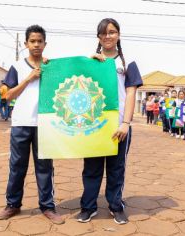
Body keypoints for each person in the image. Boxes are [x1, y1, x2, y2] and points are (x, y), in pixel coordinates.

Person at [0, 25, 64, 225]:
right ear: (26, 44)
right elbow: (7, 96)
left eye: (39, 41)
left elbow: (72, 75)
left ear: (45, 44)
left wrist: (94, 60)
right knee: (17, 166)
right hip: (21, 123)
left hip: (45, 124)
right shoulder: (17, 67)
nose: (36, 44)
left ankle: (48, 206)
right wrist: (28, 78)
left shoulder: (51, 65)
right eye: (32, 41)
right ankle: (13, 204)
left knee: (45, 167)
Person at [78, 18, 142, 225]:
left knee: (116, 168)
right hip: (95, 124)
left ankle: (115, 206)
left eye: (112, 32)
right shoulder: (91, 61)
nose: (108, 36)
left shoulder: (127, 62)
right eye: (104, 33)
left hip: (119, 125)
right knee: (92, 168)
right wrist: (88, 64)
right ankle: (88, 207)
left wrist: (126, 123)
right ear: (98, 37)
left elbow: (131, 93)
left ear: (119, 35)